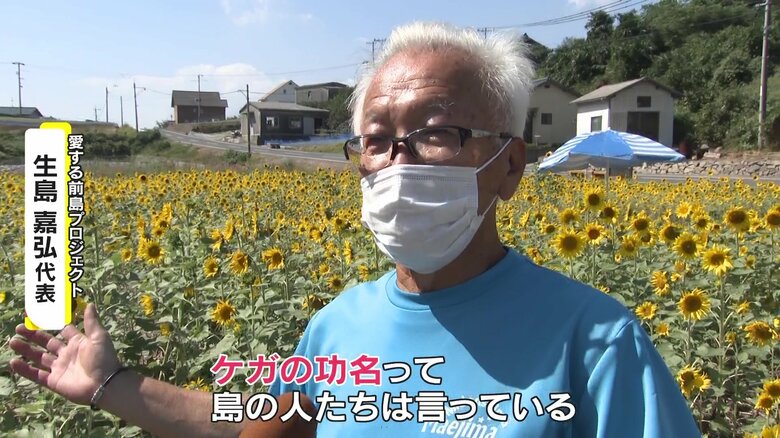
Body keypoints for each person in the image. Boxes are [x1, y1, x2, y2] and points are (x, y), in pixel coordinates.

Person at [8, 21, 701, 437]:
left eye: (436, 134)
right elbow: (259, 425)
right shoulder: (338, 327)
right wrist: (111, 383)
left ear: (509, 165)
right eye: (375, 140)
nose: (398, 161)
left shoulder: (596, 344)